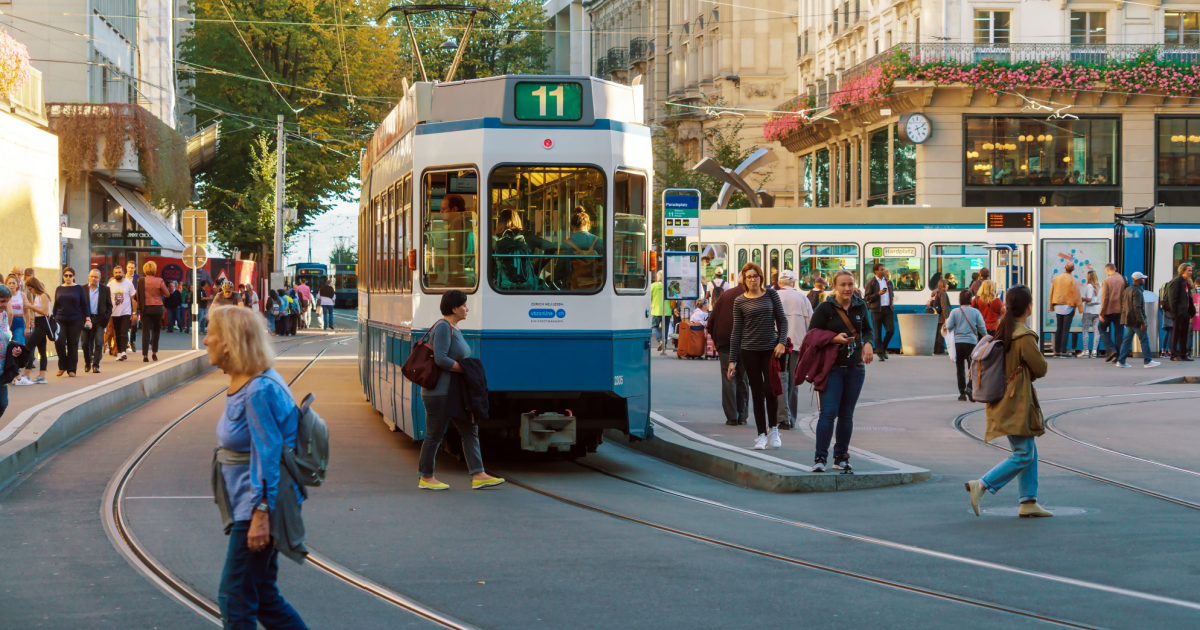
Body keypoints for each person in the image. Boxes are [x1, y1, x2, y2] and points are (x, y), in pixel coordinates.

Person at [204, 305, 310, 630]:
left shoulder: (259, 390)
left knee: (234, 598)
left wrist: (261, 516)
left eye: (211, 334)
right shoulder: (246, 381)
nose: (205, 340)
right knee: (262, 595)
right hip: (248, 504)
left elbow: (268, 457)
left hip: (256, 508)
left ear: (229, 343)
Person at [964, 285, 1053, 518]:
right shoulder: (1023, 335)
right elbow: (1041, 368)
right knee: (1023, 453)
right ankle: (982, 485)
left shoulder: (1004, 330)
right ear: (1029, 307)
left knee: (1028, 449)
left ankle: (1028, 500)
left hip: (1005, 398)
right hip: (1017, 401)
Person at [417, 290, 504, 490]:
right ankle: (426, 477)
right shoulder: (442, 327)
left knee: (469, 428)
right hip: (438, 392)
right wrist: (466, 369)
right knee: (435, 434)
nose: (467, 309)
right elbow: (440, 359)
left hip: (453, 392)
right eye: (464, 305)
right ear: (454, 308)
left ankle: (478, 474)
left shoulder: (454, 328)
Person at [807, 269, 874, 473]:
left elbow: (868, 329)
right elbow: (812, 334)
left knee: (847, 415)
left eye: (850, 284)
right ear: (834, 286)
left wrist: (869, 343)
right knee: (828, 413)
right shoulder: (825, 307)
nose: (847, 288)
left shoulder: (860, 305)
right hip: (831, 368)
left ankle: (841, 457)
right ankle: (820, 458)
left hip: (855, 368)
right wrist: (833, 339)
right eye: (843, 284)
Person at [726, 262, 788, 451]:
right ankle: (761, 434)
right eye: (749, 277)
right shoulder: (740, 301)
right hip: (750, 351)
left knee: (770, 390)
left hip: (770, 350)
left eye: (755, 276)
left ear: (761, 277)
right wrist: (731, 360)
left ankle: (774, 429)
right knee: (757, 392)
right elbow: (736, 332)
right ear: (744, 280)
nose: (753, 279)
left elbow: (782, 320)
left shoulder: (771, 294)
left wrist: (782, 342)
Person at [707, 272, 749, 427]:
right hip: (747, 343)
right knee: (743, 378)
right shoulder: (751, 295)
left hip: (725, 342)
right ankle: (743, 415)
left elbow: (710, 322)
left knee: (728, 377)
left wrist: (716, 340)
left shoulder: (725, 295)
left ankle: (732, 416)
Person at [775, 269, 812, 430]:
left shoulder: (773, 296)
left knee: (780, 380)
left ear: (779, 283)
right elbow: (811, 322)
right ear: (794, 283)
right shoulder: (803, 298)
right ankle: (791, 418)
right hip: (798, 345)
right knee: (793, 382)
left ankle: (782, 417)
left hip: (778, 346)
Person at [945, 290, 987, 401]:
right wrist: (987, 337)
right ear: (970, 300)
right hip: (971, 344)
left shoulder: (954, 311)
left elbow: (949, 327)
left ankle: (962, 394)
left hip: (958, 344)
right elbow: (982, 328)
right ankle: (970, 388)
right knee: (972, 368)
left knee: (960, 369)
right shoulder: (976, 312)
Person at [1116, 272, 1161, 369]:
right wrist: (1142, 322)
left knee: (1127, 341)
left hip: (1128, 320)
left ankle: (1121, 361)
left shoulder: (1127, 290)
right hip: (1136, 321)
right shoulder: (1137, 291)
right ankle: (1148, 361)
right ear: (1137, 280)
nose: (1143, 280)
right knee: (1144, 340)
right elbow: (1137, 307)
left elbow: (1124, 306)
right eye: (1142, 278)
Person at [53, 267, 91, 377]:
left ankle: (71, 369)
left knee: (72, 344)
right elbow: (56, 305)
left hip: (76, 320)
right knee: (59, 342)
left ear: (74, 276)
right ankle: (62, 366)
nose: (68, 277)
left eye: (70, 275)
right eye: (66, 275)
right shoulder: (59, 288)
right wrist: (52, 320)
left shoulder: (79, 288)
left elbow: (84, 305)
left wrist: (87, 319)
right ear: (63, 276)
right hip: (60, 320)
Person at [135, 261, 170, 362]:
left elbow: (137, 295)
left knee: (145, 331)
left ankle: (145, 355)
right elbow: (167, 294)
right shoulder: (159, 281)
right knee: (156, 330)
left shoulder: (140, 281)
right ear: (154, 269)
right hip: (157, 308)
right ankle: (154, 353)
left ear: (145, 269)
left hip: (145, 308)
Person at [19, 277, 52, 385]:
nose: (29, 291)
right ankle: (42, 376)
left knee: (29, 347)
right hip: (38, 323)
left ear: (35, 287)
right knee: (42, 351)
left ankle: (27, 375)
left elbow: (45, 312)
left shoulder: (43, 296)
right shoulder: (37, 296)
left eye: (30, 289)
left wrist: (31, 306)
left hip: (43, 324)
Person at [1048, 263, 1082, 358]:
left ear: (1064, 268)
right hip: (1069, 306)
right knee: (1065, 329)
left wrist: (1051, 305)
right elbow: (1077, 294)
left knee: (1059, 329)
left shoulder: (1057, 278)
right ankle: (1064, 350)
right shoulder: (1073, 280)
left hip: (1058, 305)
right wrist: (1079, 307)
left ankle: (1057, 350)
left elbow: (1052, 292)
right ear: (1073, 269)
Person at [82, 269, 113, 374]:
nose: (93, 279)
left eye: (96, 277)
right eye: (91, 276)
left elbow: (109, 306)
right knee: (85, 343)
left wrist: (105, 319)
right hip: (86, 320)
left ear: (100, 278)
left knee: (99, 343)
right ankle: (87, 363)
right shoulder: (83, 289)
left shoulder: (105, 289)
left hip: (99, 320)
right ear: (88, 277)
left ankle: (96, 365)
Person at [864, 263, 895, 361]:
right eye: (881, 269)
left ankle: (883, 348)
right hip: (876, 310)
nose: (883, 271)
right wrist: (878, 294)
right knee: (877, 332)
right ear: (876, 271)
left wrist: (892, 303)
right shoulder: (871, 283)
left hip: (888, 309)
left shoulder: (888, 282)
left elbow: (892, 294)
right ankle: (880, 354)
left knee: (891, 330)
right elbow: (867, 297)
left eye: (884, 269)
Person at [107, 265, 137, 361]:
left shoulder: (128, 284)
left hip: (126, 312)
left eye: (120, 272)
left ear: (123, 273)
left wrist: (134, 312)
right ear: (113, 273)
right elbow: (106, 300)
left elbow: (133, 299)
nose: (118, 274)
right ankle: (119, 352)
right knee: (117, 334)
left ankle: (123, 351)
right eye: (116, 272)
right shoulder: (110, 285)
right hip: (114, 313)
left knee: (124, 332)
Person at [1098, 263, 1125, 363]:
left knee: (1101, 328)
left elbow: (1104, 298)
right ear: (1115, 269)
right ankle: (1119, 357)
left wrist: (1101, 313)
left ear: (1107, 270)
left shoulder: (1106, 280)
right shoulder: (1122, 279)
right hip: (1120, 310)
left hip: (1109, 311)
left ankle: (1111, 349)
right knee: (1119, 333)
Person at [1169, 263, 1195, 362]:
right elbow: (1173, 298)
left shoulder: (1186, 282)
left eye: (1191, 270)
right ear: (1182, 270)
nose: (1191, 272)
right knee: (1176, 333)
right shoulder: (1176, 282)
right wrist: (1174, 312)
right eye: (1189, 270)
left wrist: (1191, 311)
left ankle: (1182, 354)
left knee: (1184, 333)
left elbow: (1188, 297)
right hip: (1178, 312)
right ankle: (1174, 355)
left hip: (1185, 312)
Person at [1079, 270, 1103, 358]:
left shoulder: (1089, 286)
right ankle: (1094, 351)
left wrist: (1082, 299)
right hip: (1098, 310)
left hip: (1089, 310)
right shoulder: (1100, 284)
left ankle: (1086, 351)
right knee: (1096, 331)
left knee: (1085, 330)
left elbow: (1089, 299)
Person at [928, 279, 952, 355]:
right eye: (947, 284)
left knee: (936, 333)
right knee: (941, 333)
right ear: (943, 285)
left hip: (936, 315)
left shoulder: (935, 292)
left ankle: (935, 348)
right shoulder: (943, 293)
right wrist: (946, 317)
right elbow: (944, 305)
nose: (948, 286)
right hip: (941, 316)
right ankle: (940, 349)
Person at [6, 274, 26, 345]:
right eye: (9, 283)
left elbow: (27, 311)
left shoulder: (21, 295)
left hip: (19, 322)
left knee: (18, 344)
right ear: (6, 284)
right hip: (6, 321)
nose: (11, 285)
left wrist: (27, 327)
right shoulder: (4, 296)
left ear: (17, 285)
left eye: (13, 283)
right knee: (7, 345)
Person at [126, 261, 140, 347]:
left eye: (132, 267)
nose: (130, 269)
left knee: (134, 323)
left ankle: (132, 340)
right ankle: (126, 341)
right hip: (125, 303)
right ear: (126, 268)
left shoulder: (139, 279)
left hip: (135, 303)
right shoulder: (123, 277)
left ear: (135, 268)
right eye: (129, 267)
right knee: (125, 323)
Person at [651, 270, 665, 351]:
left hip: (656, 310)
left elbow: (649, 297)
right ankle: (664, 346)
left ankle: (660, 340)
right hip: (667, 310)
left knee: (654, 327)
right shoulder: (667, 285)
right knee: (665, 328)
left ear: (657, 277)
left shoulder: (653, 286)